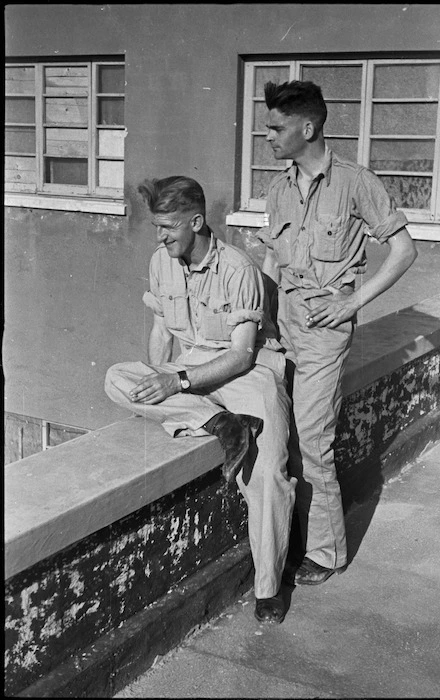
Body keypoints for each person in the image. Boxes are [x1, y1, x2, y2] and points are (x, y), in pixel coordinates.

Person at [105, 175, 297, 623]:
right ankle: (222, 424)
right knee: (117, 378)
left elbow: (241, 355)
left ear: (196, 221)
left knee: (267, 472)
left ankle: (268, 589)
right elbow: (161, 333)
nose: (161, 235)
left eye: (168, 226)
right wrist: (158, 383)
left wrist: (177, 386)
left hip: (248, 374)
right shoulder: (161, 262)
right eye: (156, 226)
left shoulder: (238, 269)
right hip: (192, 373)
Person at [259, 80, 417, 586]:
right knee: (271, 433)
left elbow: (404, 251)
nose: (269, 137)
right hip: (280, 326)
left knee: (312, 437)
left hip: (325, 334)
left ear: (308, 128)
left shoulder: (355, 182)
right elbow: (270, 259)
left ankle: (326, 553)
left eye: (277, 128)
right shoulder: (279, 188)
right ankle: (287, 540)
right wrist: (259, 318)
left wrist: (352, 302)